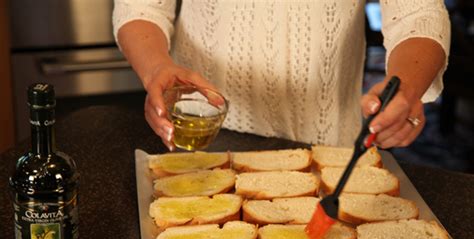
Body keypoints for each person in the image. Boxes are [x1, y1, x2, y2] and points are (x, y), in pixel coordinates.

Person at [112, 1, 450, 151]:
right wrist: (157, 67)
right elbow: (141, 7)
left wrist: (405, 88)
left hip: (325, 151)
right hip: (204, 141)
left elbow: (417, 14)